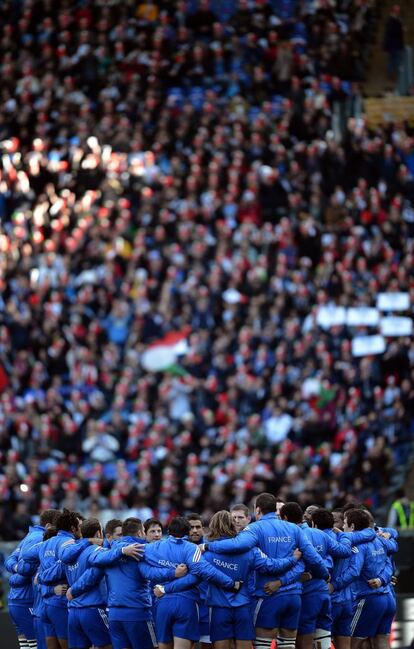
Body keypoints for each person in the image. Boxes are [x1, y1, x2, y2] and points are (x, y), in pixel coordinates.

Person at [201, 493, 329, 649]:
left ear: (257, 510)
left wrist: (208, 546)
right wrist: (325, 575)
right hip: (293, 597)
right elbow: (312, 558)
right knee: (287, 644)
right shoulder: (294, 529)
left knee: (263, 644)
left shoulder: (254, 529)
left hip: (268, 596)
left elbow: (237, 546)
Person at [203, 510, 303, 649]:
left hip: (219, 608)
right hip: (243, 607)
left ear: (212, 526)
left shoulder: (206, 553)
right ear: (233, 525)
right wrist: (293, 559)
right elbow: (272, 566)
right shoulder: (251, 551)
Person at [145, 516, 244, 649]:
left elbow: (143, 570)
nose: (195, 531)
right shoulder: (192, 548)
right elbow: (204, 571)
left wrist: (166, 584)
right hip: (187, 603)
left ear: (168, 531)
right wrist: (230, 584)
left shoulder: (152, 548)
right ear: (187, 532)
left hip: (163, 603)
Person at [88, 517, 186, 649]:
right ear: (140, 533)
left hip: (115, 615)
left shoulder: (111, 550)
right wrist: (174, 573)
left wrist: (121, 551)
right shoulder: (142, 550)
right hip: (137, 612)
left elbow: (94, 558)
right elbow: (150, 573)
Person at [5, 509, 59, 649]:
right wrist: (19, 573)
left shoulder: (30, 535)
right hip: (27, 599)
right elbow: (25, 569)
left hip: (16, 598)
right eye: (57, 526)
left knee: (26, 645)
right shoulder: (40, 538)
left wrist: (16, 572)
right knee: (35, 644)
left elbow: (11, 560)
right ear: (48, 526)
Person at [343, 509, 396, 649]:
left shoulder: (357, 546)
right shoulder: (380, 539)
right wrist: (382, 579)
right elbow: (390, 560)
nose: (343, 527)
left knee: (352, 642)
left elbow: (354, 572)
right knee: (381, 641)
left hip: (367, 598)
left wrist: (335, 585)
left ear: (352, 526)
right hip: (387, 596)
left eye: (344, 523)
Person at [383, 5, 405, 81]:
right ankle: (396, 76)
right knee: (396, 61)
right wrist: (400, 29)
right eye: (396, 11)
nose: (398, 12)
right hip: (394, 45)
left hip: (396, 44)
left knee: (393, 61)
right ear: (393, 11)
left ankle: (392, 75)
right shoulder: (391, 20)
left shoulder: (396, 19)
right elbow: (390, 33)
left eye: (398, 11)